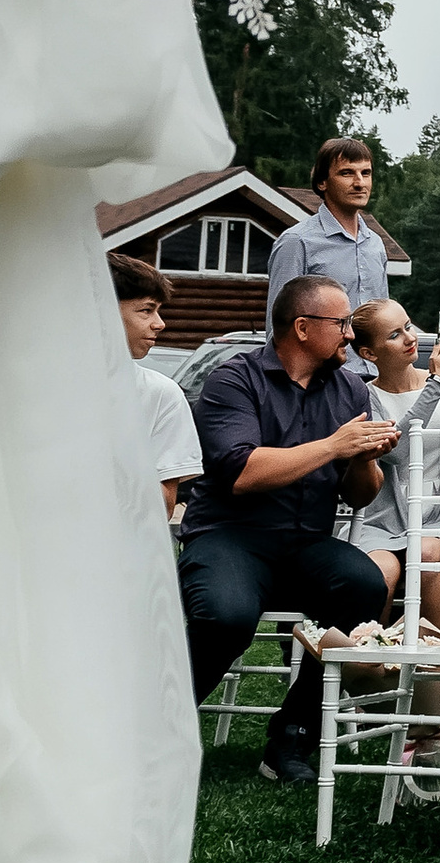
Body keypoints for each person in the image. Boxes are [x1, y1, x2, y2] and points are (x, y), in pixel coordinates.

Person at [177, 273, 398, 785]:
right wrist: (333, 446)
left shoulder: (346, 386)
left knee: (365, 583)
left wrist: (364, 458)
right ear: (302, 327)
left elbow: (359, 493)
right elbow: (242, 472)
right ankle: (153, 728)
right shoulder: (235, 380)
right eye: (340, 322)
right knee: (226, 616)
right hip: (230, 534)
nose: (349, 333)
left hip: (305, 542)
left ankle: (293, 734)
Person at [350, 294, 440, 800]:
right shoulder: (364, 398)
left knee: (423, 556)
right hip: (387, 522)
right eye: (394, 334)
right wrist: (434, 387)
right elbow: (397, 450)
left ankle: (437, 713)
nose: (411, 337)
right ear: (368, 353)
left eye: (410, 326)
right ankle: (384, 694)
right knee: (374, 575)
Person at [263, 135, 393, 329]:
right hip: (323, 360)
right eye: (347, 173)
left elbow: (384, 321)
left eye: (365, 173)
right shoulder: (297, 242)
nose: (359, 183)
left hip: (372, 360)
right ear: (322, 182)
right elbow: (279, 328)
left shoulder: (375, 244)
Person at [109, 251, 200, 522]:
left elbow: (163, 507)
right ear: (103, 311)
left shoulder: (161, 394)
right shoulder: (38, 386)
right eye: (146, 310)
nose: (159, 324)